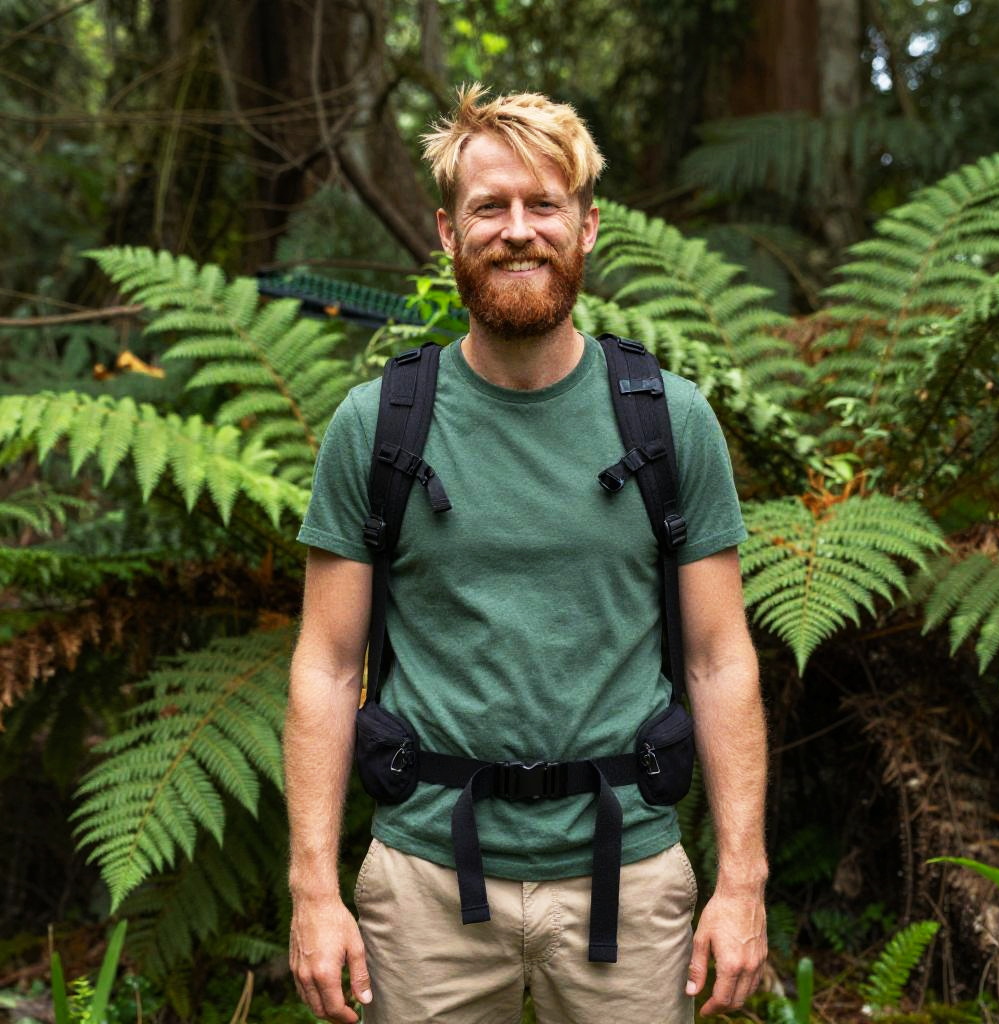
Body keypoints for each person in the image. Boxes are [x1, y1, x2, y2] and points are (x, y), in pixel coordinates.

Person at [285, 84, 768, 1024]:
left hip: (629, 880)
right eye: (489, 207)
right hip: (423, 882)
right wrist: (314, 891)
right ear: (447, 231)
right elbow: (327, 663)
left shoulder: (670, 421)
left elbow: (720, 659)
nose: (517, 230)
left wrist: (740, 882)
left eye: (543, 205)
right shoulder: (377, 426)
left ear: (586, 227)